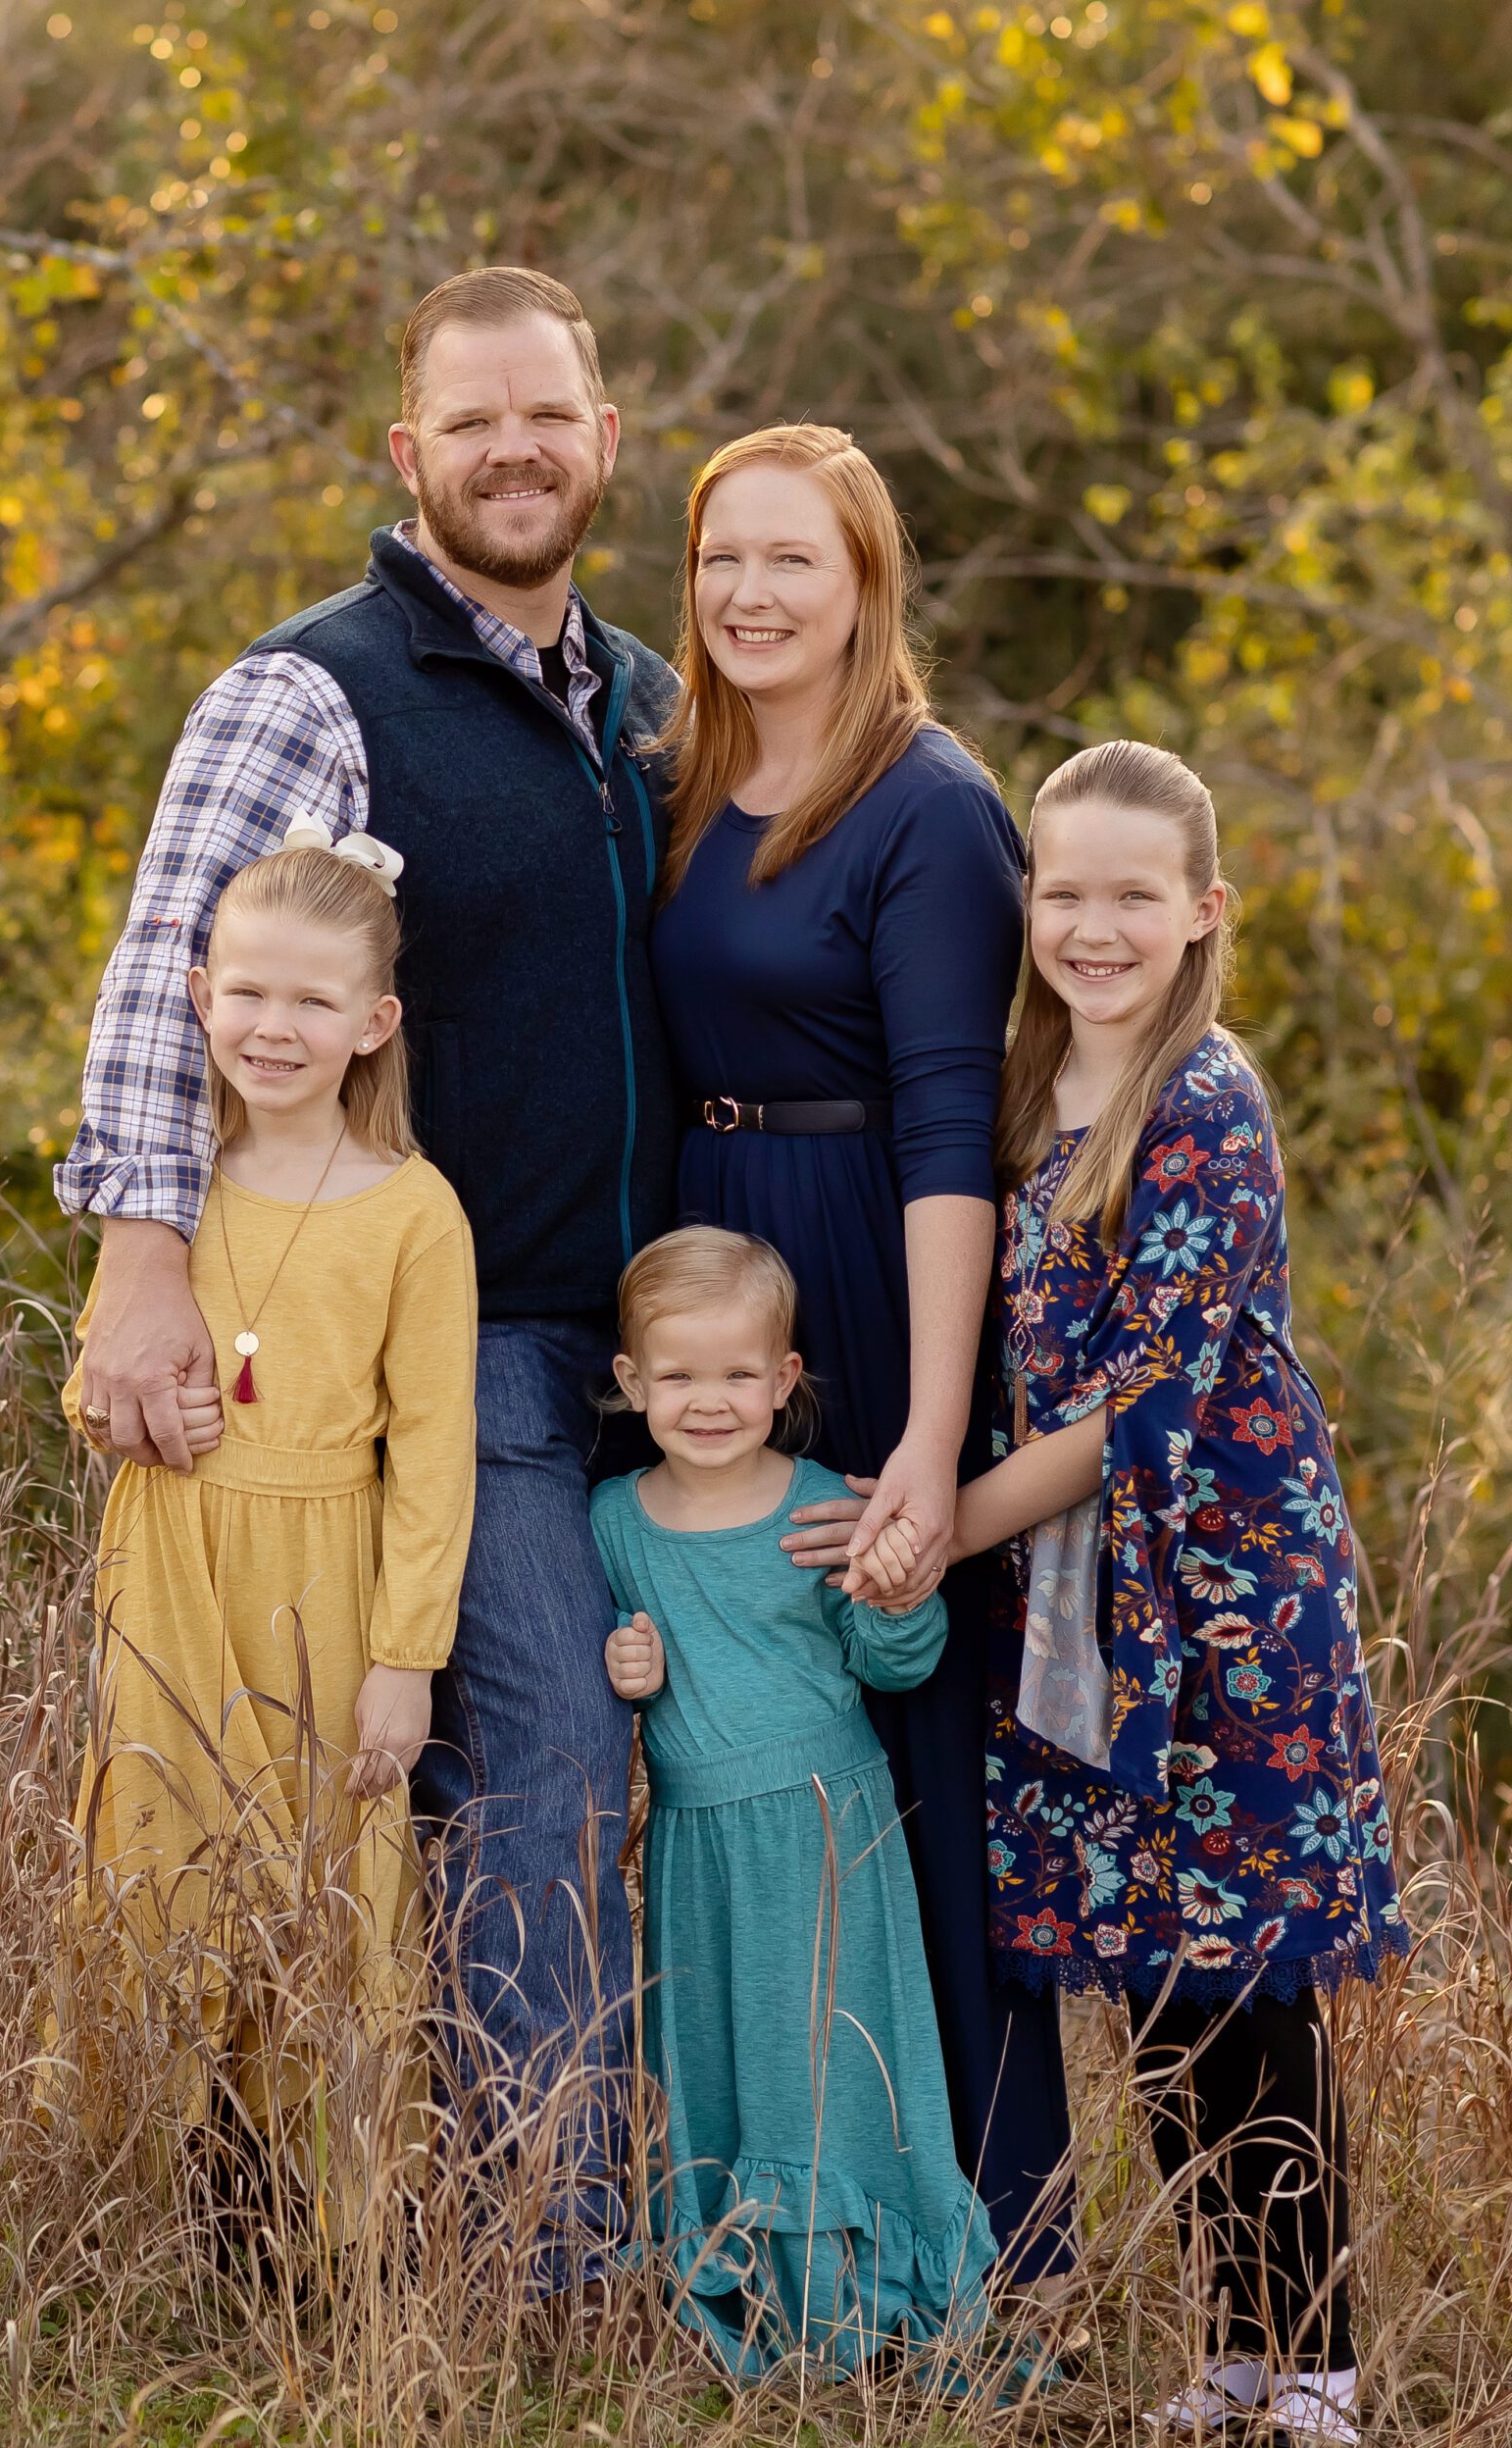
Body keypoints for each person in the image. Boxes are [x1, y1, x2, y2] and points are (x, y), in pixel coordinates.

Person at [54, 268, 690, 2290]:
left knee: (596, 1778)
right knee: (545, 1771)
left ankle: (521, 2211)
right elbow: (177, 977)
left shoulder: (649, 701)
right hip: (455, 1345)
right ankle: (541, 2264)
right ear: (410, 452)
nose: (515, 451)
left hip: (654, 1352)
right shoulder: (313, 692)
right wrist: (139, 1257)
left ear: (605, 439)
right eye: (471, 421)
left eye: (548, 415)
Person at [945, 740, 1408, 2446]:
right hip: (1086, 1602)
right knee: (1149, 1977)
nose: (1096, 927)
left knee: (1250, 1987)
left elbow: (1142, 1404)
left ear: (1205, 909)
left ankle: (1318, 2368)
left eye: (1134, 896)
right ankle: (1231, 2352)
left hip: (1224, 1601)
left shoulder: (1203, 1100)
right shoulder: (1022, 1085)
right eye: (1064, 891)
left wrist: (942, 1525)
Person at [648, 423, 1074, 2276]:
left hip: (878, 1284)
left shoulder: (929, 804)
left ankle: (1001, 2247)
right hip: (711, 1280)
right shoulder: (678, 771)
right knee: (742, 1737)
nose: (750, 594)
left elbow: (952, 1129)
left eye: (793, 560)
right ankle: (778, 2212)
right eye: (722, 558)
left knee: (920, 1758)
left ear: (866, 582)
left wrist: (927, 1442)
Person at [55, 823, 476, 2187]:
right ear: (198, 997)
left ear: (374, 1022)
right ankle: (147, 2193)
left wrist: (406, 1657)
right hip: (173, 1560)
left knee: (319, 1868)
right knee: (162, 1837)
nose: (273, 1028)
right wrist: (133, 1418)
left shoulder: (414, 1212)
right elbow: (96, 1377)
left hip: (324, 1583)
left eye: (311, 1001)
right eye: (245, 992)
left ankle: (318, 2214)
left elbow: (435, 1452)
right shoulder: (168, 1193)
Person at [592, 1226, 998, 2375]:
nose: (706, 1400)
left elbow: (895, 1665)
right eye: (677, 1374)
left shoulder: (821, 1504)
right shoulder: (614, 1518)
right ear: (630, 1380)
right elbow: (622, 1648)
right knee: (717, 2047)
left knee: (826, 2053)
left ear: (783, 1379)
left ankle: (855, 2298)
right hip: (696, 1839)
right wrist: (625, 1664)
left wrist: (894, 1593)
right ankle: (746, 2278)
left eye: (736, 1374)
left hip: (827, 1827)